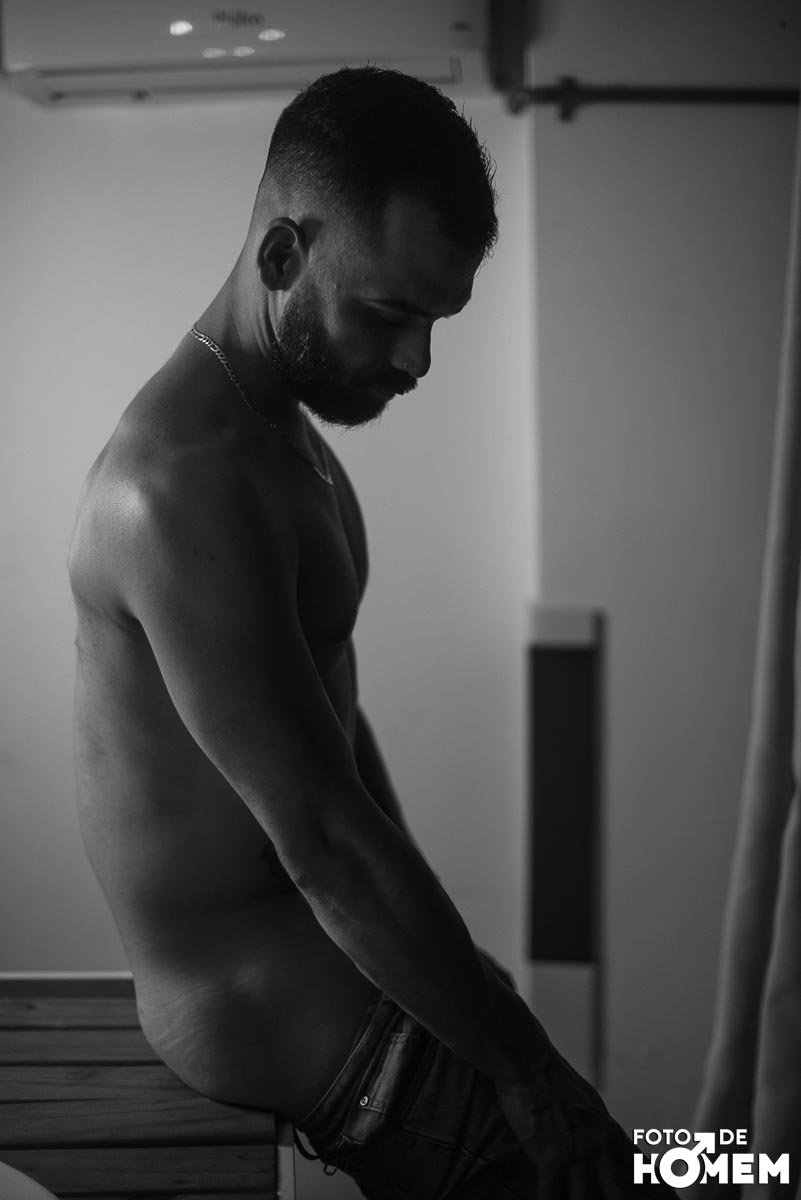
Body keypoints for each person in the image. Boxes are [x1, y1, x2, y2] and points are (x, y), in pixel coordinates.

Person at [68, 67, 667, 1198]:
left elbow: (335, 728)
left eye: (434, 322)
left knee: (644, 1166)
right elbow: (325, 842)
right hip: (266, 1011)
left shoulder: (279, 436)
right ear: (281, 257)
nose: (416, 362)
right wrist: (526, 1067)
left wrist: (458, 978)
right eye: (389, 315)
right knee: (617, 1175)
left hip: (344, 972)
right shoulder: (180, 487)